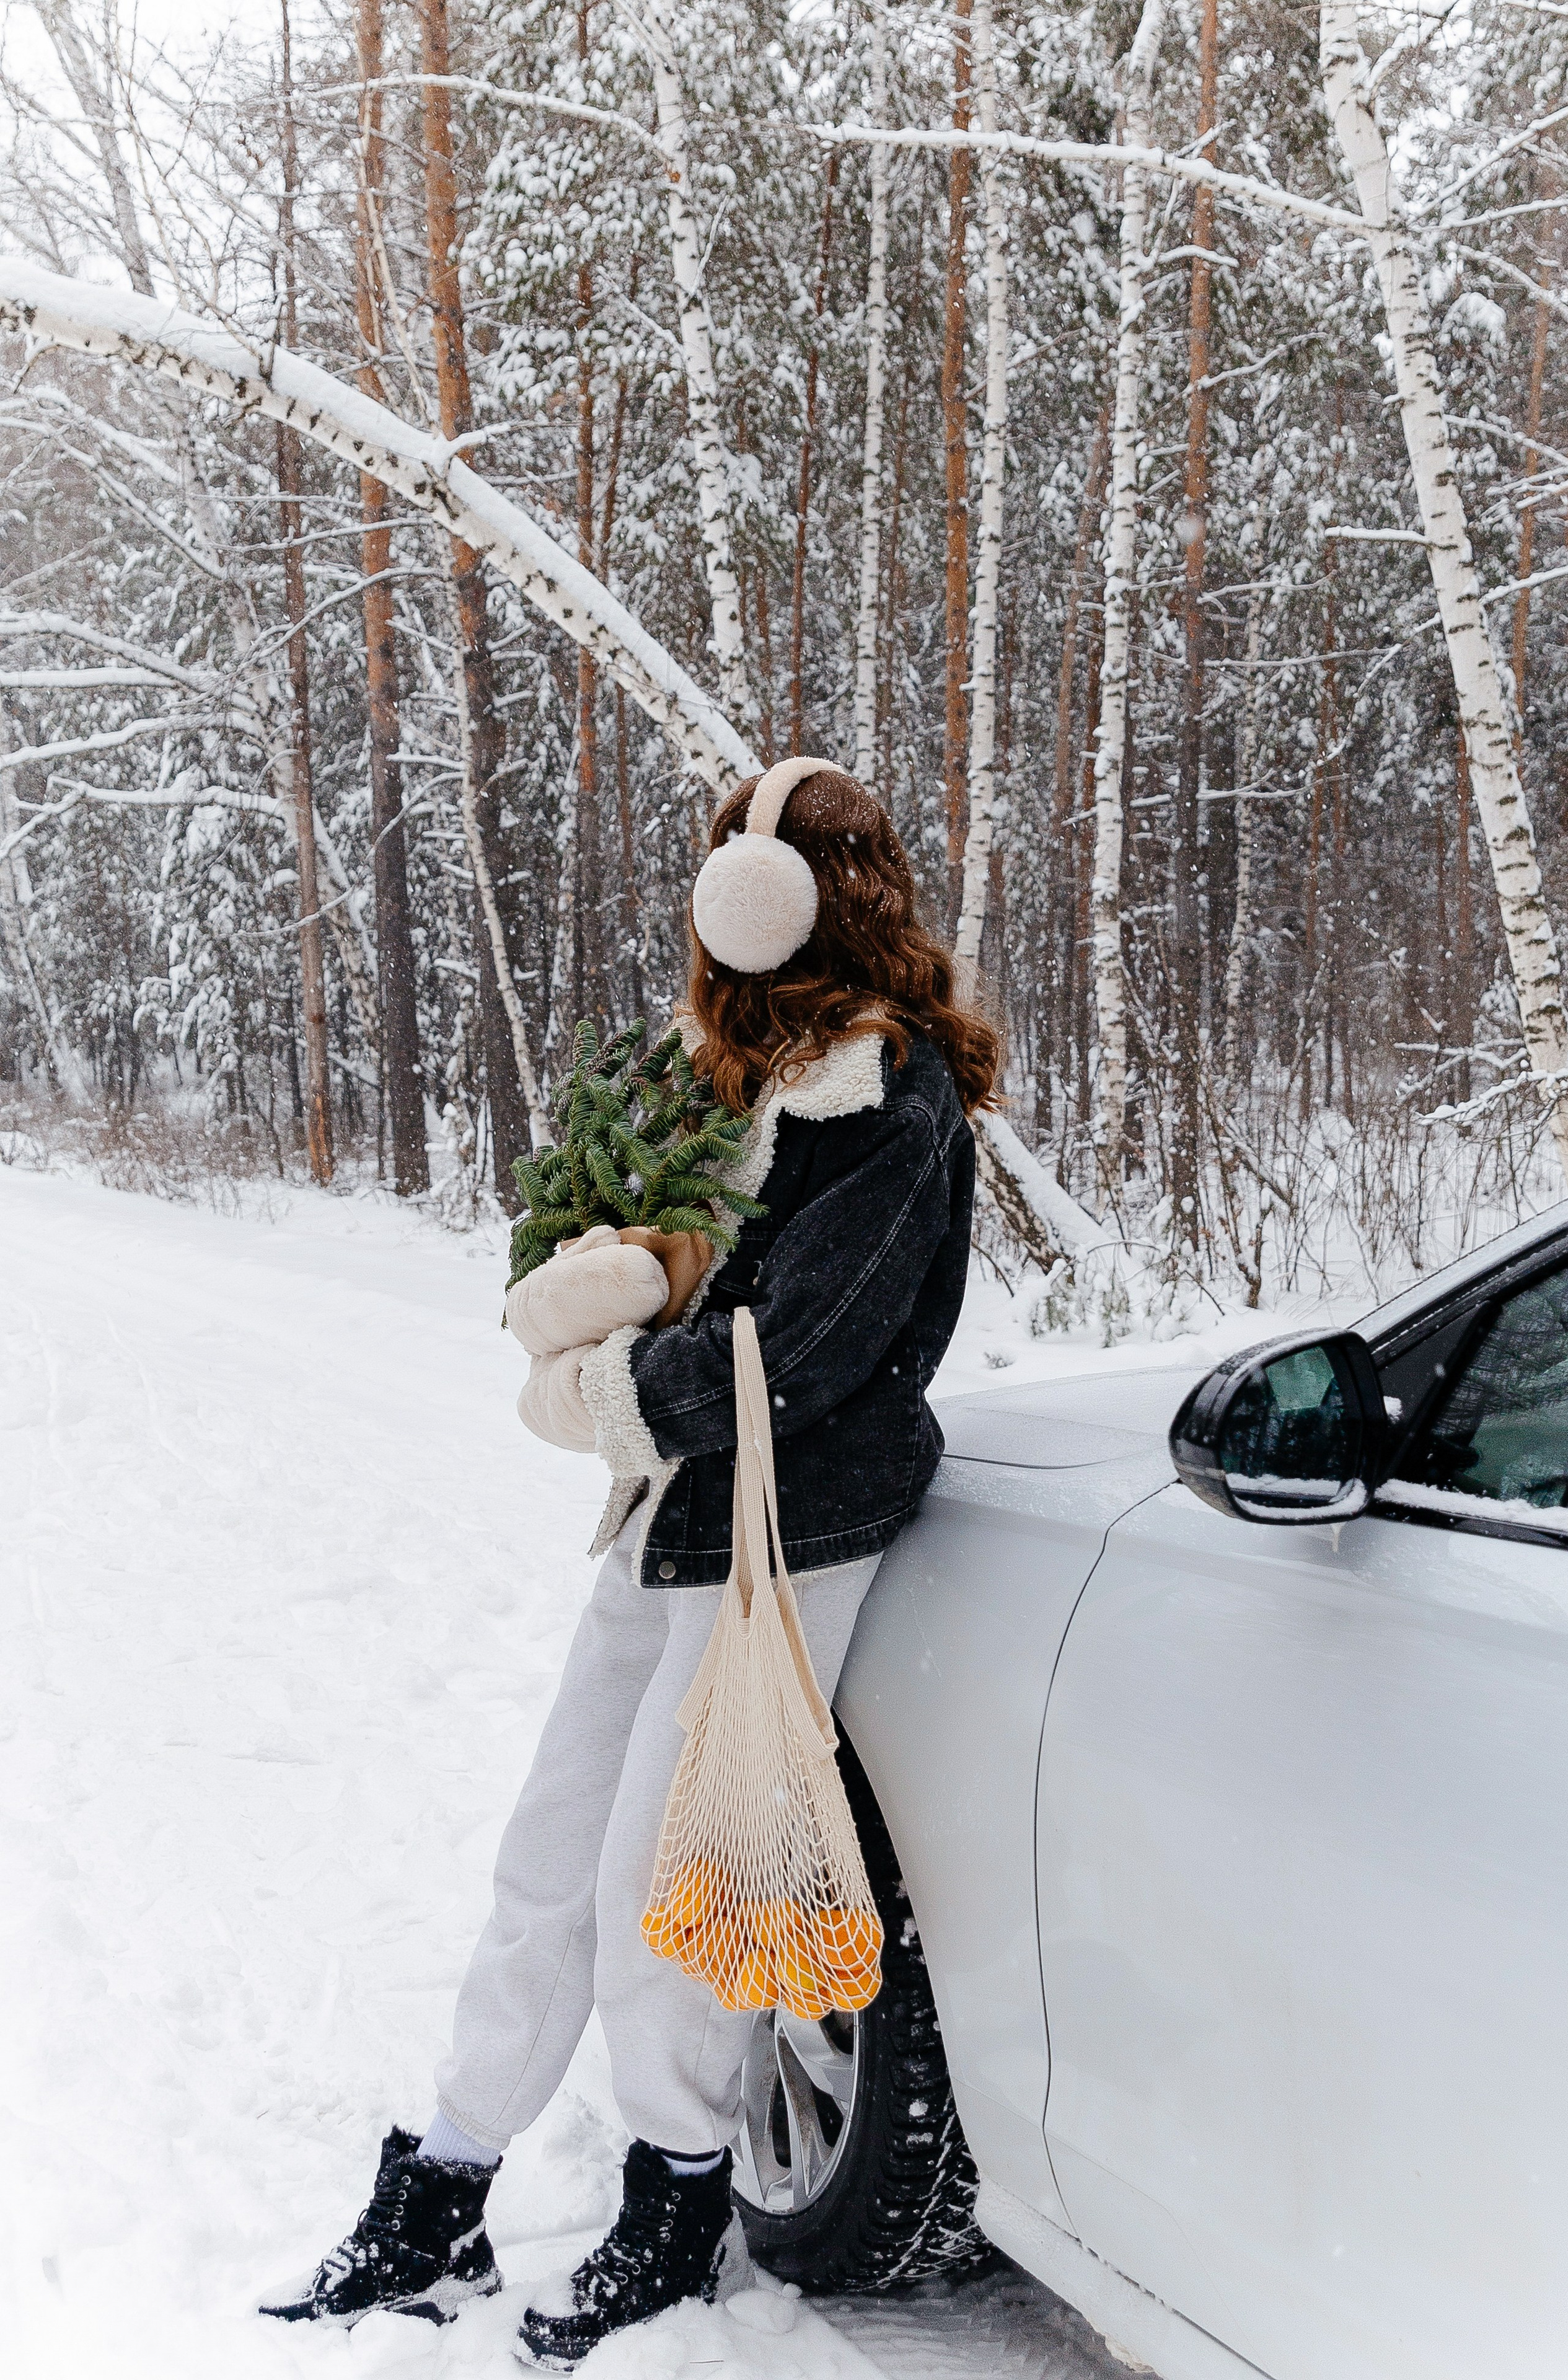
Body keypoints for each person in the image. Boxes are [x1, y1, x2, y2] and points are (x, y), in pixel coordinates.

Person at [260, 759, 998, 2366]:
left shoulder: (895, 1096)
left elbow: (804, 1346)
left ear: (829, 896)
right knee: (548, 1854)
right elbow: (645, 1255)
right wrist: (584, 1292)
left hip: (791, 1535)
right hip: (669, 1513)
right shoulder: (714, 1071)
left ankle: (677, 2193)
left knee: (664, 1885)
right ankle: (445, 2179)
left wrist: (612, 1388)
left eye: (767, 868)